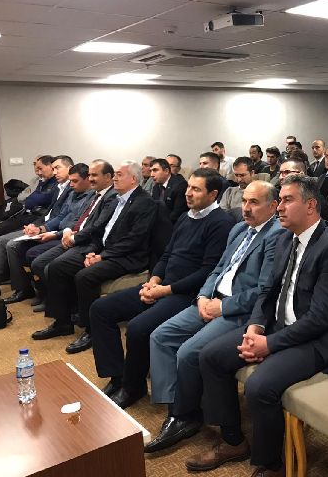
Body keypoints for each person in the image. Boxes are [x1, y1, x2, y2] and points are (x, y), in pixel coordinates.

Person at [186, 175, 328, 477]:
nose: (279, 207)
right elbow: (267, 292)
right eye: (280, 200)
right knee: (211, 357)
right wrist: (255, 327)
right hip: (281, 326)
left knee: (259, 386)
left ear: (311, 206)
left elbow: (320, 319)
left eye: (288, 200)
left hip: (318, 341)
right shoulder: (284, 238)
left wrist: (269, 345)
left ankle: (271, 464)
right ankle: (233, 441)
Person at [144, 181, 284, 453]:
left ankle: (184, 416)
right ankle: (176, 406)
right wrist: (203, 297)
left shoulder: (276, 235)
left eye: (254, 202)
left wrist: (223, 307)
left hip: (239, 310)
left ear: (273, 206)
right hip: (211, 300)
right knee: (160, 336)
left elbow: (265, 290)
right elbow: (218, 269)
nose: (246, 208)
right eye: (244, 201)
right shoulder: (239, 229)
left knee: (188, 352)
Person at [89, 168, 234, 409]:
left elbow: (207, 272)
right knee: (100, 309)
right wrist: (154, 280)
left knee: (137, 328)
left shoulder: (221, 223)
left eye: (196, 189)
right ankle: (118, 376)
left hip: (186, 294)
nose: (188, 193)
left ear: (213, 194)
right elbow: (167, 255)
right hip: (163, 286)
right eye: (189, 187)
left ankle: (132, 388)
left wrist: (165, 290)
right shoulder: (187, 217)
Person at [31, 161, 158, 354]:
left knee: (85, 276)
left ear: (133, 179)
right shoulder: (119, 199)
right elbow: (103, 232)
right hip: (106, 251)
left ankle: (91, 330)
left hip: (128, 257)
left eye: (119, 174)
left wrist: (102, 256)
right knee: (57, 267)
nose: (114, 178)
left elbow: (133, 240)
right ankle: (63, 322)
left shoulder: (144, 202)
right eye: (115, 174)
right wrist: (94, 251)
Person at [27, 160, 116, 313]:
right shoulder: (95, 194)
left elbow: (96, 227)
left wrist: (70, 236)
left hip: (87, 242)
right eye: (90, 175)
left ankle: (62, 311)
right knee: (38, 262)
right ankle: (58, 304)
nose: (91, 179)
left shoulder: (111, 197)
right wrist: (67, 231)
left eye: (94, 175)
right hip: (72, 235)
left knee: (52, 266)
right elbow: (77, 219)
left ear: (108, 177)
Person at [4, 163, 93, 306]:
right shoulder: (73, 193)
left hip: (66, 235)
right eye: (71, 181)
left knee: (33, 255)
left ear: (87, 179)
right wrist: (41, 229)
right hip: (58, 231)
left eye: (75, 181)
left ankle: (52, 297)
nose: (71, 185)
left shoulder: (91, 198)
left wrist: (55, 234)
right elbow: (60, 216)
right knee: (19, 248)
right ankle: (35, 290)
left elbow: (77, 224)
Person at [0, 155, 70, 298]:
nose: (55, 172)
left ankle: (21, 288)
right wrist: (34, 225)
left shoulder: (65, 187)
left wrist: (41, 228)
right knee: (0, 238)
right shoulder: (51, 185)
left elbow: (57, 214)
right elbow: (33, 203)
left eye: (57, 168)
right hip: (38, 220)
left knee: (9, 243)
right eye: (54, 168)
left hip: (49, 226)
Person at [0, 154, 58, 249]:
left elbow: (38, 198)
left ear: (51, 166)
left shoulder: (56, 183)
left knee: (4, 240)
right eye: (34, 165)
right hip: (26, 212)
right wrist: (34, 196)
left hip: (38, 217)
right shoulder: (39, 180)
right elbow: (25, 198)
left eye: (40, 168)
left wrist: (33, 197)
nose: (37, 171)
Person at [150, 158, 189, 223]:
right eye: (150, 171)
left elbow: (177, 214)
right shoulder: (156, 187)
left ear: (166, 171)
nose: (151, 175)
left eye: (155, 170)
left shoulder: (180, 186)